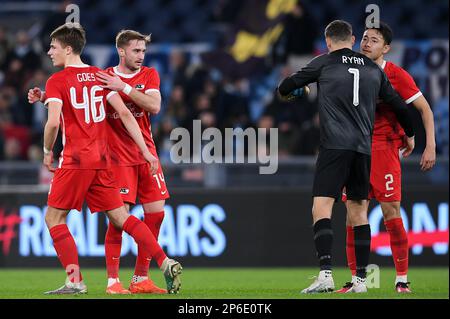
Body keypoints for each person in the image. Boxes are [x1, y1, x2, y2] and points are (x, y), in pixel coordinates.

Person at [38, 23, 182, 295]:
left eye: (53, 47)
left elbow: (54, 123)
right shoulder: (98, 76)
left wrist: (47, 152)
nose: (49, 52)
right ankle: (164, 261)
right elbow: (126, 115)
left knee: (54, 219)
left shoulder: (56, 80)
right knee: (121, 218)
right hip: (104, 160)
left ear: (68, 49)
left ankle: (75, 280)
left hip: (76, 160)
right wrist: (146, 150)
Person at [277, 20, 415, 294]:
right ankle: (361, 282)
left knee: (321, 208)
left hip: (334, 147)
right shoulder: (374, 71)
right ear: (352, 39)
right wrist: (409, 134)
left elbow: (284, 86)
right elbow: (400, 105)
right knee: (358, 211)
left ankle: (326, 274)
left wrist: (298, 90)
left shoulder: (324, 62)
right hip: (363, 150)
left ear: (328, 41)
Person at [337, 22, 436, 294]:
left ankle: (401, 279)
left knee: (391, 212)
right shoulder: (350, 71)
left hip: (384, 149)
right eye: (365, 38)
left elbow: (425, 110)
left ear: (386, 48)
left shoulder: (395, 75)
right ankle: (357, 281)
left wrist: (430, 146)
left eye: (374, 40)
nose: (367, 43)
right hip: (354, 150)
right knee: (353, 215)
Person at [95, 30, 170, 294]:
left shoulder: (149, 74)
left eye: (143, 51)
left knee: (156, 214)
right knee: (118, 219)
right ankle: (113, 281)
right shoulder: (104, 77)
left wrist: (124, 88)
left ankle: (140, 279)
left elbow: (154, 106)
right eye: (136, 51)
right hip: (118, 158)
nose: (141, 56)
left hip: (147, 152)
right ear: (122, 51)